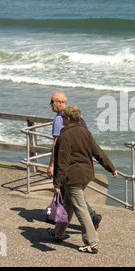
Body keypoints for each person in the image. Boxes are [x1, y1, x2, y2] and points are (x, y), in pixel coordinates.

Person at [48, 106, 118, 253]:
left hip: (72, 178)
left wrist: (57, 183)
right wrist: (111, 168)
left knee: (80, 208)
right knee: (68, 204)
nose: (61, 120)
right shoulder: (86, 132)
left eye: (63, 118)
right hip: (86, 175)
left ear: (67, 119)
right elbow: (98, 152)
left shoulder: (65, 136)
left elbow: (62, 161)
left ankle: (91, 242)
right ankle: (58, 232)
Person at [47, 92, 102, 229]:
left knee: (72, 195)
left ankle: (91, 221)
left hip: (68, 165)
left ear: (60, 103)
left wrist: (52, 165)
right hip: (82, 162)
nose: (50, 104)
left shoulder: (60, 119)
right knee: (70, 195)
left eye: (52, 101)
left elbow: (56, 144)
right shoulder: (78, 119)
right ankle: (59, 227)